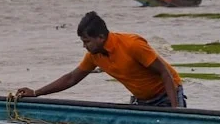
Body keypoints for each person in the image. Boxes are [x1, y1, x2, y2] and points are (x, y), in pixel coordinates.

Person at [16, 11, 186, 108]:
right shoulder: (94, 56)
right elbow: (71, 78)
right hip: (141, 100)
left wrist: (175, 110)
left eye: (87, 41)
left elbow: (164, 73)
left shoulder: (132, 45)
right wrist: (36, 93)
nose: (84, 46)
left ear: (101, 37)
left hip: (166, 94)